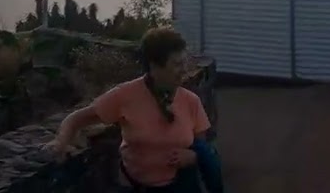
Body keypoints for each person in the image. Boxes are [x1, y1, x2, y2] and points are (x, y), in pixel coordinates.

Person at [51, 27, 222, 192]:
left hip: (182, 185)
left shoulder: (191, 101)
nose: (183, 70)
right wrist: (61, 143)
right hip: (137, 187)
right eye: (177, 64)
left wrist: (192, 156)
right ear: (154, 65)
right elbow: (75, 119)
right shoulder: (125, 95)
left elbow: (201, 145)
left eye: (184, 63)